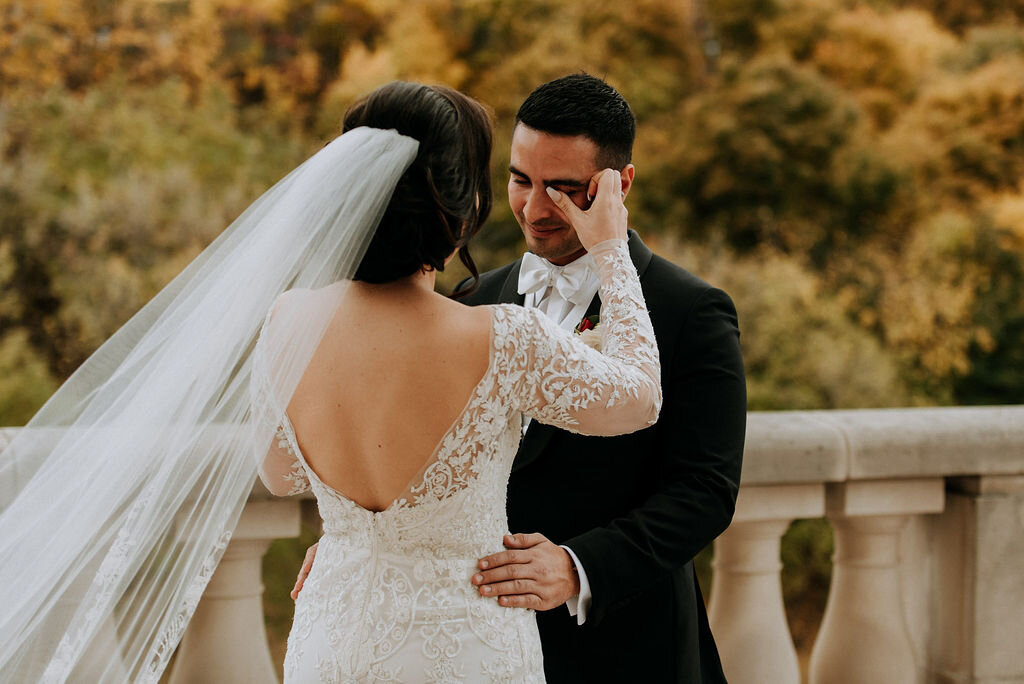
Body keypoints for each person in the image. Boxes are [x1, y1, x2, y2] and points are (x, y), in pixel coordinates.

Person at [0, 81, 659, 682]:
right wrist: (609, 247)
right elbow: (640, 397)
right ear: (462, 214)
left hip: (334, 633)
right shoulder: (506, 337)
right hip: (467, 645)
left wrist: (362, 533)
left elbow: (282, 475)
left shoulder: (286, 321)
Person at [297, 74, 746, 683]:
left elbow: (705, 490)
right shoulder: (473, 299)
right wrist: (376, 544)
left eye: (563, 189)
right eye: (519, 181)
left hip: (622, 647)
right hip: (466, 640)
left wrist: (576, 566)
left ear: (620, 184)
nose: (535, 209)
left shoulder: (690, 310)